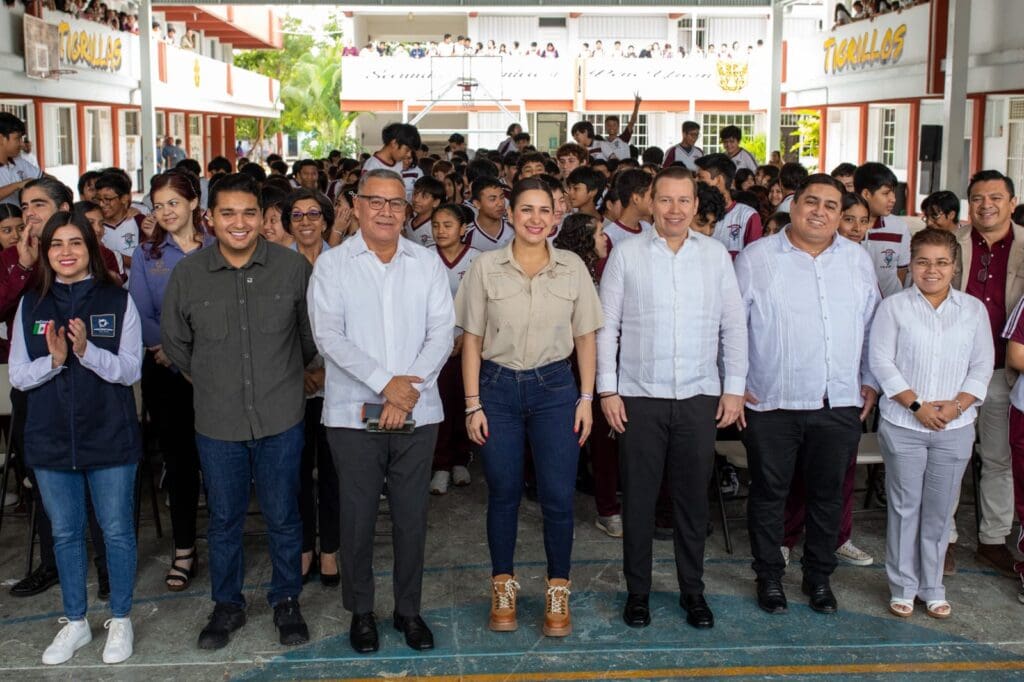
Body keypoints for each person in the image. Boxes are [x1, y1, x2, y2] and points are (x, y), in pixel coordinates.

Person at [161, 173, 318, 649]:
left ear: (263, 217)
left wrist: (283, 379)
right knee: (225, 520)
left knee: (283, 515)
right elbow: (176, 344)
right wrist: (212, 381)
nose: (239, 222)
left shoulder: (292, 269)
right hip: (218, 421)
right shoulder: (188, 275)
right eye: (227, 212)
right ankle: (227, 605)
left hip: (281, 418)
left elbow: (309, 339)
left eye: (250, 212)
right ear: (209, 217)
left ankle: (286, 600)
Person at [307, 169, 454, 653]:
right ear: (355, 204)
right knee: (357, 518)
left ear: (407, 211)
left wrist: (404, 392)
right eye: (376, 201)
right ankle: (361, 611)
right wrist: (385, 384)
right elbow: (329, 337)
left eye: (396, 203)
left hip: (418, 412)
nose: (386, 212)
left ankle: (408, 610)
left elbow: (442, 333)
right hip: (353, 415)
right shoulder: (333, 266)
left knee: (412, 518)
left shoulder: (426, 263)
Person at [597, 166, 746, 630]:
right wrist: (607, 389)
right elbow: (607, 326)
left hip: (699, 396)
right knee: (639, 501)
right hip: (639, 397)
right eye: (665, 200)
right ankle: (637, 592)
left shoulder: (715, 255)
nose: (675, 209)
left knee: (692, 503)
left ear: (696, 205)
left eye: (684, 200)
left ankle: (692, 591)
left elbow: (733, 324)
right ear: (651, 203)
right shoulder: (627, 255)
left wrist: (734, 387)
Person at [455, 176, 603, 638]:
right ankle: (503, 586)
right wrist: (472, 405)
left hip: (555, 390)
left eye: (544, 210)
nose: (535, 219)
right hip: (496, 391)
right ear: (510, 213)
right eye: (526, 209)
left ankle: (558, 588)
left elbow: (585, 338)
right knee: (503, 493)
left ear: (556, 216)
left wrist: (586, 398)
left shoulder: (572, 267)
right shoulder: (485, 267)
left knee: (558, 496)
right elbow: (472, 340)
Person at [736, 174, 880, 616]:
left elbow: (872, 324)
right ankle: (769, 576)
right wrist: (734, 385)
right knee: (769, 495)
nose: (820, 211)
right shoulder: (757, 258)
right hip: (771, 402)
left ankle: (818, 578)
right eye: (811, 202)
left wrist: (869, 380)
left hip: (837, 402)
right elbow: (732, 326)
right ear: (793, 206)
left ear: (840, 214)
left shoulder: (857, 260)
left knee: (828, 497)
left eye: (831, 205)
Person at [10, 212, 143, 665]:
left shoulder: (117, 300)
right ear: (46, 252)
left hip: (110, 435)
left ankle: (120, 619)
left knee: (116, 530)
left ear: (90, 248)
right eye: (56, 244)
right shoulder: (31, 304)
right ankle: (76, 621)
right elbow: (18, 376)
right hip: (49, 438)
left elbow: (130, 370)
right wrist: (53, 361)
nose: (66, 252)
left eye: (75, 243)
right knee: (65, 533)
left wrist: (86, 352)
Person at [871, 228, 993, 618]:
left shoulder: (973, 310)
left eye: (942, 262)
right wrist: (917, 406)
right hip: (904, 425)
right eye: (923, 261)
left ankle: (933, 586)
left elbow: (982, 366)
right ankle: (903, 586)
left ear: (955, 266)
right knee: (905, 507)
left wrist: (957, 406)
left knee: (940, 511)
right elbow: (881, 362)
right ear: (912, 263)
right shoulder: (894, 307)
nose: (932, 270)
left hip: (955, 428)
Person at [128, 171, 212, 593]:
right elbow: (140, 312)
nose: (166, 212)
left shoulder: (218, 246)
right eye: (158, 205)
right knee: (179, 465)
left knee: (220, 462)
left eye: (173, 203)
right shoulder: (147, 254)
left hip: (217, 372)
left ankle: (226, 545)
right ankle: (184, 549)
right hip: (166, 372)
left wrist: (194, 356)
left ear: (194, 203)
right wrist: (174, 353)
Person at [952, 170, 1023, 578]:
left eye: (996, 197)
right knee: (950, 458)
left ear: (1012, 203)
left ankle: (993, 540)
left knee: (999, 459)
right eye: (978, 198)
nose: (986, 205)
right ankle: (943, 539)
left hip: (1002, 371)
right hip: (951, 372)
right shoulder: (953, 243)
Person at [429, 203, 480, 495]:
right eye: (436, 225)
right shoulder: (423, 259)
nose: (440, 231)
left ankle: (461, 458)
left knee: (464, 401)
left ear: (463, 229)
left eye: (448, 225)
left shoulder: (477, 260)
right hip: (433, 347)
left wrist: (467, 337)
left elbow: (484, 304)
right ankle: (440, 464)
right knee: (439, 404)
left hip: (467, 345)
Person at [856, 162, 910, 298]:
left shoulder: (899, 228)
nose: (893, 199)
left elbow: (902, 270)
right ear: (866, 194)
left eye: (893, 192)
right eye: (886, 193)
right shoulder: (844, 227)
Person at [695, 154, 763, 258]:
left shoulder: (748, 216)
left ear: (718, 180)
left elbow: (754, 260)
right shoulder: (692, 212)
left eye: (700, 177)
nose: (695, 182)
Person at [95, 172, 145, 273]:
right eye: (98, 199)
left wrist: (111, 255)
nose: (101, 204)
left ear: (124, 199)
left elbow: (147, 262)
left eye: (107, 199)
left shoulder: (140, 222)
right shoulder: (95, 227)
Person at [0, 112, 42, 206]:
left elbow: (44, 177)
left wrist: (60, 187)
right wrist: (17, 185)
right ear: (1, 139)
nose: (22, 144)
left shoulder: (19, 162)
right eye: (17, 139)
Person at [603, 170, 653, 247]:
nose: (655, 200)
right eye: (651, 195)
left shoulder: (647, 228)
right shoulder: (609, 237)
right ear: (636, 198)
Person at [464, 176, 514, 251]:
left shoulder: (514, 226)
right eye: (492, 199)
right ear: (477, 204)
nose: (500, 204)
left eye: (502, 197)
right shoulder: (467, 235)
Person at [405, 176, 444, 248]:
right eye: (415, 194)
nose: (416, 199)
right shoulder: (409, 221)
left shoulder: (434, 227)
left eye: (424, 196)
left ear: (435, 202)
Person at [603, 94, 642, 161]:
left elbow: (632, 122)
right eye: (609, 125)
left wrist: (637, 105)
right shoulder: (602, 143)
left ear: (618, 126)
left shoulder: (623, 138)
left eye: (614, 125)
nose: (611, 127)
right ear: (605, 127)